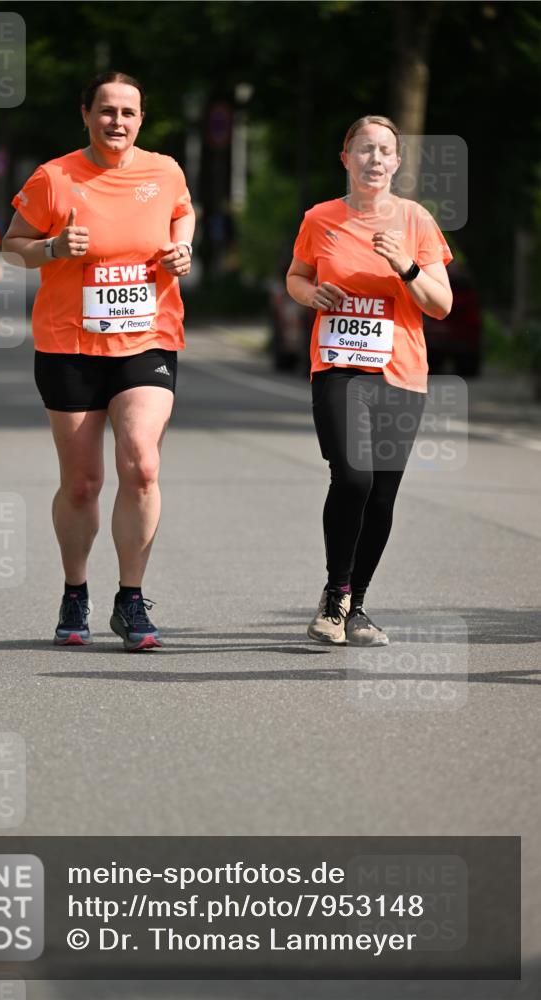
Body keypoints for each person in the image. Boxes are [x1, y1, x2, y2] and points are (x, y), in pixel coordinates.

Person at [2, 71, 195, 651]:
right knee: (83, 484)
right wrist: (53, 248)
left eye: (129, 113)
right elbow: (12, 246)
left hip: (148, 337)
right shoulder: (53, 178)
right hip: (70, 345)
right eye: (106, 111)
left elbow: (182, 212)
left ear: (142, 119)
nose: (118, 122)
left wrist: (183, 245)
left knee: (142, 464)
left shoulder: (163, 171)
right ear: (85, 114)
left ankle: (131, 599)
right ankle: (75, 589)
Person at [286, 115, 453, 646]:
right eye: (363, 149)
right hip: (338, 367)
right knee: (353, 475)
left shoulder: (416, 221)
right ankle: (335, 595)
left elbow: (441, 304)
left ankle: (355, 606)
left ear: (397, 163)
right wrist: (309, 295)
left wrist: (405, 265)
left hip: (401, 373)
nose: (374, 159)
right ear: (346, 159)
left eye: (384, 151)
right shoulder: (320, 218)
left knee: (382, 495)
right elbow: (296, 275)